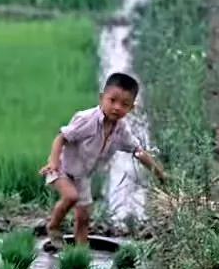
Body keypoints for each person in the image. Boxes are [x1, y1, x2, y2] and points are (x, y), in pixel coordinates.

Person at [39, 72, 166, 252]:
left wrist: (160, 173)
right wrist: (53, 162)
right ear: (101, 98)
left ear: (131, 108)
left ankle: (81, 254)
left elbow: (138, 151)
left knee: (84, 218)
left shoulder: (121, 130)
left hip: (82, 176)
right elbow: (61, 138)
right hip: (61, 168)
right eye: (112, 100)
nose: (116, 107)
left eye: (124, 104)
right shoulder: (87, 120)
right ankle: (53, 226)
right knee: (71, 196)